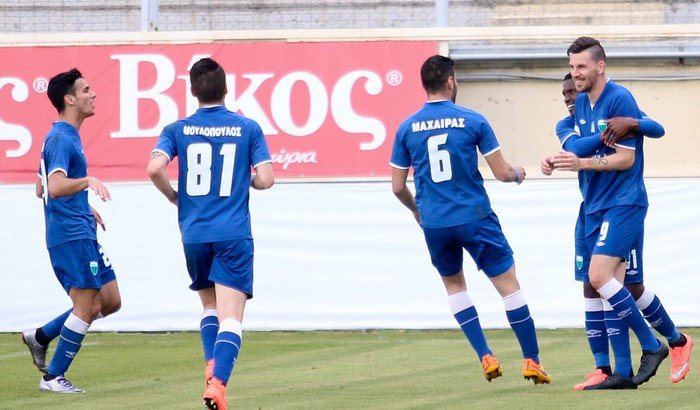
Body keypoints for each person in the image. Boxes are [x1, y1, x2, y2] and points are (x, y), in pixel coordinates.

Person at [390, 54, 551, 385]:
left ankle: (485, 355)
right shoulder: (472, 120)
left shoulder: (406, 128)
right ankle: (532, 361)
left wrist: (418, 211)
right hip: (475, 217)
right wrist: (518, 173)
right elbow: (502, 172)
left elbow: (397, 187)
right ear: (451, 81)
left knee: (454, 287)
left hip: (435, 223)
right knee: (508, 286)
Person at [544, 74, 693, 389]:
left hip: (623, 206)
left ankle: (673, 342)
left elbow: (657, 128)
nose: (570, 97)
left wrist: (632, 123)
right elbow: (576, 147)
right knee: (594, 285)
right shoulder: (567, 124)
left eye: (574, 90)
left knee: (627, 285)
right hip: (591, 209)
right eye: (565, 93)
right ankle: (609, 368)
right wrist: (608, 133)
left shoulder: (615, 106)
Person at [148, 57, 274, 410]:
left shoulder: (177, 129)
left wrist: (174, 196)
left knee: (209, 306)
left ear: (192, 91)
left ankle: (210, 365)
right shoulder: (247, 127)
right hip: (233, 233)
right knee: (231, 316)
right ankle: (217, 384)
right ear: (226, 88)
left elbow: (154, 168)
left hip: (194, 233)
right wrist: (244, 180)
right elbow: (267, 179)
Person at [22, 68, 121, 393]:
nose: (93, 95)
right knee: (87, 306)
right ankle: (53, 377)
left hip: (80, 228)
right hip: (69, 235)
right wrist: (87, 182)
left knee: (109, 300)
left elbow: (41, 188)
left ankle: (41, 336)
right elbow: (54, 186)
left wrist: (82, 204)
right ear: (69, 99)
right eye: (86, 90)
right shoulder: (61, 138)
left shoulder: (64, 137)